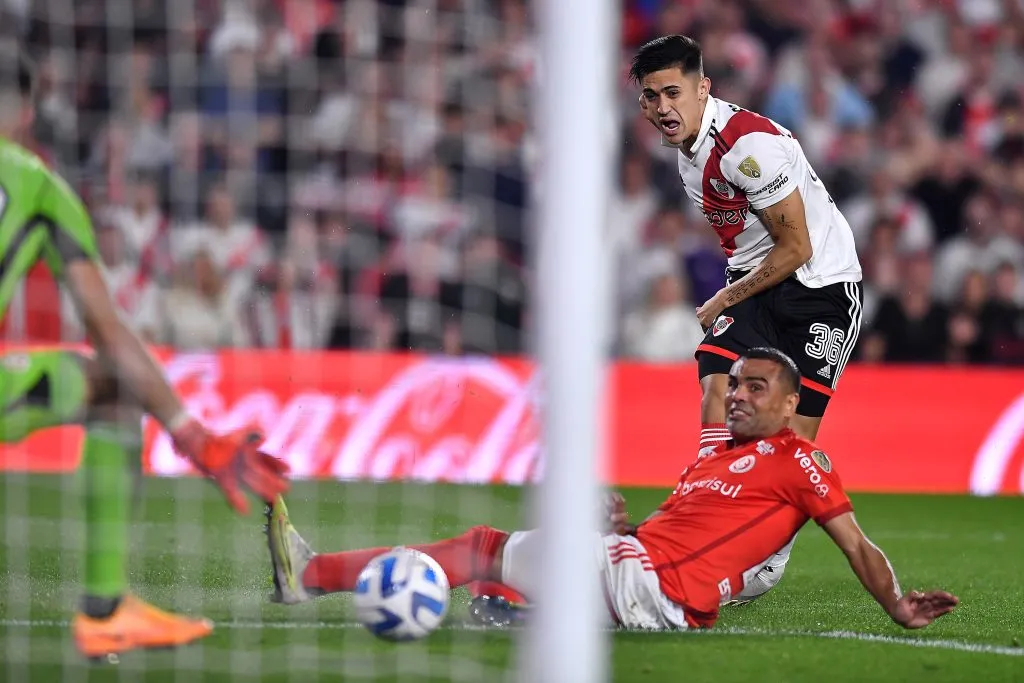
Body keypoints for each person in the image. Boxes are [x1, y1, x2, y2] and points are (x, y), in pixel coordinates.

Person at [264, 348, 957, 632]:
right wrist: (620, 527)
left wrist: (895, 602)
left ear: (788, 404)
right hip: (639, 568)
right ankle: (319, 575)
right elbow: (677, 532)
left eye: (756, 387)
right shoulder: (713, 462)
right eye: (737, 385)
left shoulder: (799, 460)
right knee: (486, 549)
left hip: (658, 589)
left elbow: (856, 543)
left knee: (487, 556)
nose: (739, 396)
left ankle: (523, 611)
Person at [0, 49, 289, 658]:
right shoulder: (39, 187)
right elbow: (106, 329)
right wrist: (191, 434)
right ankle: (105, 610)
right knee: (113, 387)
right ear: (26, 112)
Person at [628, 34, 866, 601]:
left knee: (791, 439)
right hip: (758, 280)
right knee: (717, 385)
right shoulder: (687, 157)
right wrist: (734, 296)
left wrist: (723, 300)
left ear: (702, 89)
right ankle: (704, 516)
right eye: (652, 97)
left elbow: (797, 247)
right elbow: (747, 244)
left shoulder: (747, 146)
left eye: (673, 93)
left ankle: (767, 558)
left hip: (822, 288)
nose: (663, 107)